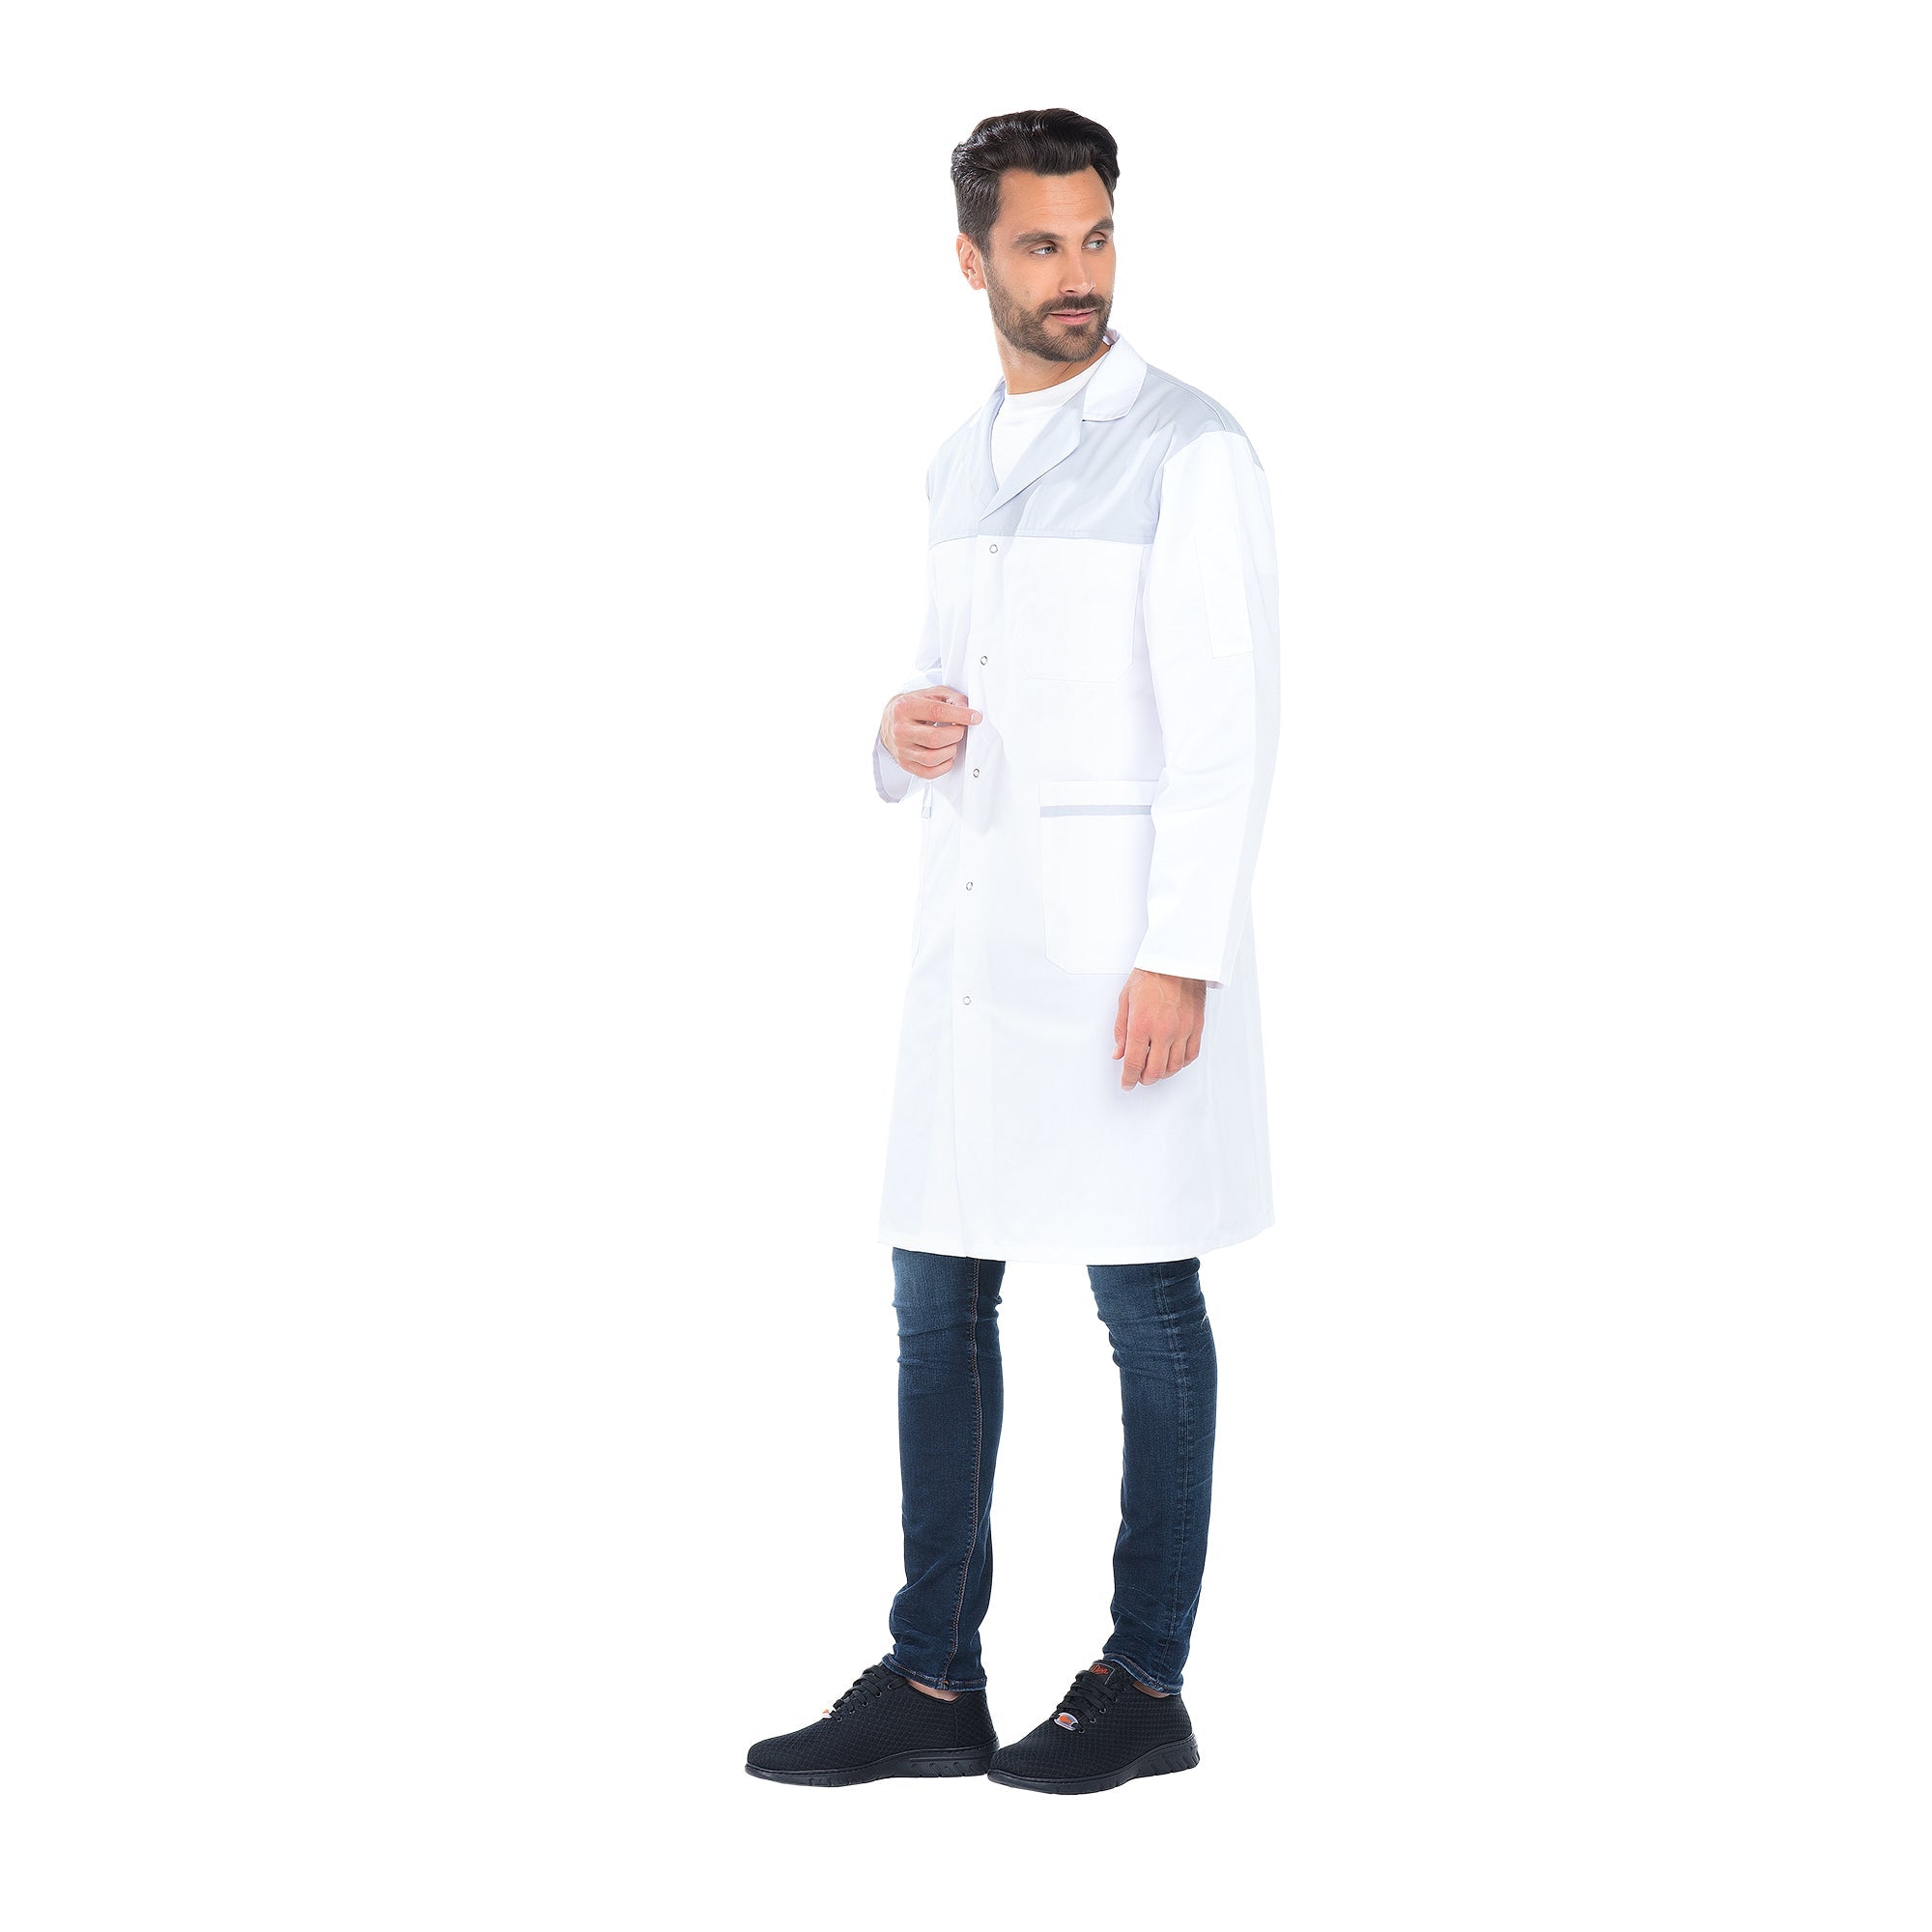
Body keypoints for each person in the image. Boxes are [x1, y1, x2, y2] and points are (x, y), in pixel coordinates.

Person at [746, 107, 1280, 1796]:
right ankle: (933, 1676)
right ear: (971, 258)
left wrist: (1181, 954)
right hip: (976, 957)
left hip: (1116, 958)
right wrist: (891, 734)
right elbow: (949, 686)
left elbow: (1227, 728)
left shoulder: (1190, 448)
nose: (1078, 275)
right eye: (1042, 244)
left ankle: (1144, 1682)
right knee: (936, 1299)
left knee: (1146, 1306)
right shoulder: (957, 457)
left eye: (1097, 236)